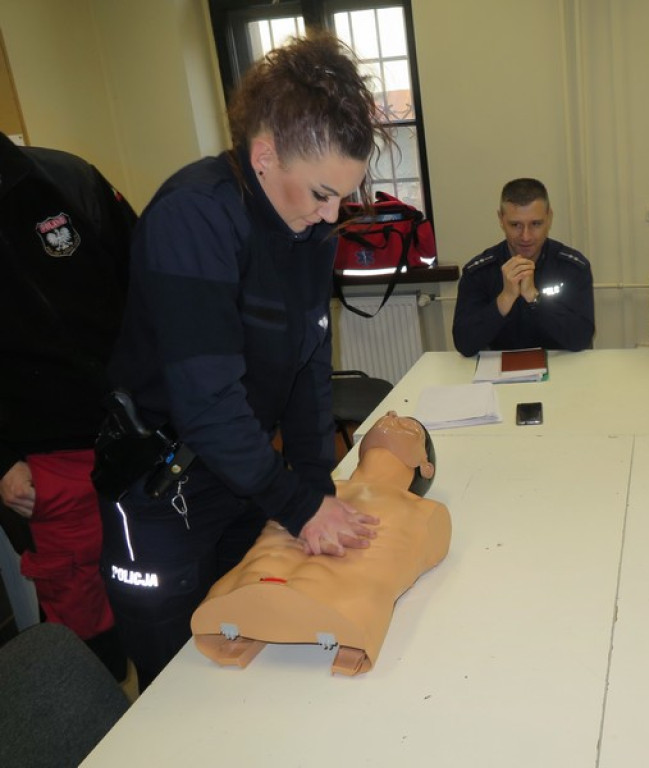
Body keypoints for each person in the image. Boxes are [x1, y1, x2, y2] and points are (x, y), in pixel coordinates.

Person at [94, 32, 384, 691]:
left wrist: (316, 488)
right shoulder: (193, 218)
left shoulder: (308, 225)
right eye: (320, 193)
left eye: (344, 196)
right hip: (160, 494)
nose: (331, 214)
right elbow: (207, 404)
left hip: (242, 474)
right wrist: (299, 504)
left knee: (255, 649)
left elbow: (311, 362)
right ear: (263, 155)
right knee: (180, 684)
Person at [0, 131, 135, 679]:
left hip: (138, 437)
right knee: (88, 636)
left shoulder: (67, 179)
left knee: (169, 602)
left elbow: (151, 291)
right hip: (47, 467)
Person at [191, 411, 450, 676]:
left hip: (340, 612)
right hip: (231, 597)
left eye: (408, 426)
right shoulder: (302, 489)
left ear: (425, 466)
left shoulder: (425, 511)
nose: (392, 416)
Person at [452, 178, 594, 356]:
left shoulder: (572, 267)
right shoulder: (479, 272)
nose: (525, 236)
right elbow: (464, 344)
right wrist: (505, 299)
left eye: (535, 224)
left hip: (561, 370)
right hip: (498, 374)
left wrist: (535, 299)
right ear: (501, 219)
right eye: (515, 225)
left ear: (549, 218)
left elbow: (581, 337)